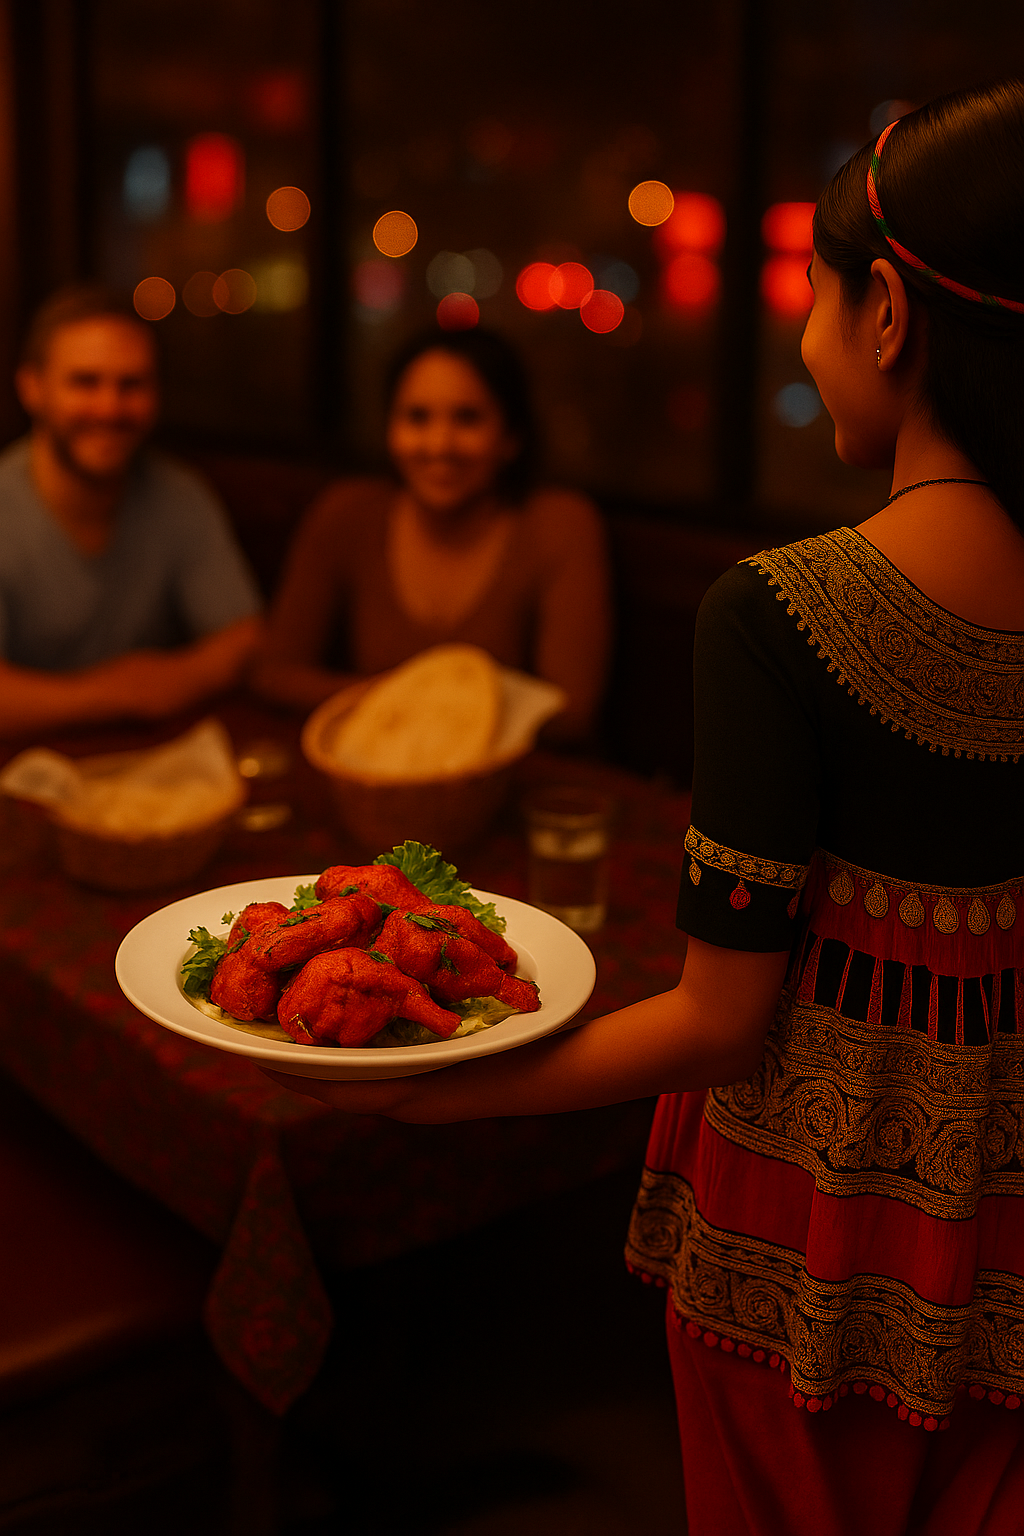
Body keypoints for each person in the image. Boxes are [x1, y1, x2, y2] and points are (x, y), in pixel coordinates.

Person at [265, 82, 1024, 1534]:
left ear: (887, 318)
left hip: (806, 1231)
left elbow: (721, 1022)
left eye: (809, 297)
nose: (803, 337)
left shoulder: (780, 613)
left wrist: (428, 1084)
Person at [251, 328, 611, 745]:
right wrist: (403, 704)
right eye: (417, 418)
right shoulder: (348, 513)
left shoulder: (559, 525)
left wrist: (408, 710)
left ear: (511, 438)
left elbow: (572, 712)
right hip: (376, 772)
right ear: (390, 430)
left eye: (467, 419)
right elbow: (273, 672)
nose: (439, 445)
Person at [0, 285, 262, 738]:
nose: (109, 408)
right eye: (85, 382)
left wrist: (173, 680)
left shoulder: (179, 494)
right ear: (32, 388)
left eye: (131, 385)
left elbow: (244, 639)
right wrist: (114, 694)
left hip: (149, 776)